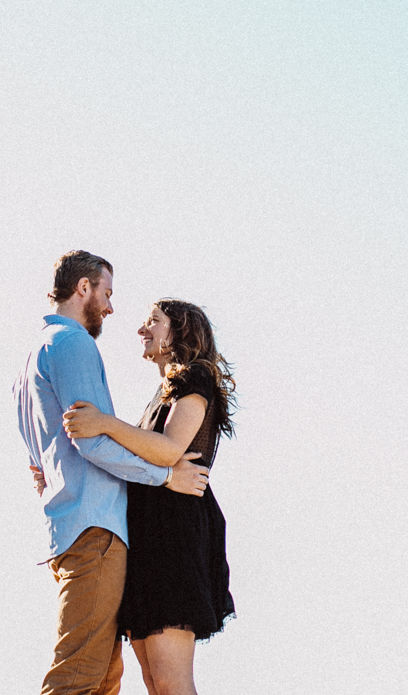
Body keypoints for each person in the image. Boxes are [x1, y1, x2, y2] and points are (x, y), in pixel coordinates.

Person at [14, 251, 211, 695]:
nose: (110, 307)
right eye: (106, 293)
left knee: (104, 677)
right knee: (81, 673)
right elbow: (90, 437)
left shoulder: (31, 359)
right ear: (83, 288)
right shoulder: (74, 344)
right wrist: (164, 476)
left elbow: (37, 461)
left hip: (68, 528)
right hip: (95, 526)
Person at [62, 298, 236, 695]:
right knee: (155, 682)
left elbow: (169, 449)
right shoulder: (161, 393)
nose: (143, 330)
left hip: (175, 541)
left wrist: (104, 423)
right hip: (147, 541)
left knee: (172, 682)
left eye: (154, 322)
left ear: (181, 331)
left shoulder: (196, 377)